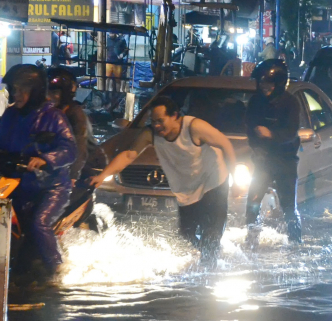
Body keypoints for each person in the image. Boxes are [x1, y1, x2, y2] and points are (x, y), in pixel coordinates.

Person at [89, 96, 236, 267]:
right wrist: (101, 176)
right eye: (153, 121)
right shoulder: (150, 133)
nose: (157, 126)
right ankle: (208, 253)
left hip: (214, 183)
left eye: (161, 121)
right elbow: (129, 155)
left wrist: (234, 179)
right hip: (188, 190)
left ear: (175, 116)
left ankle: (208, 273)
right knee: (186, 234)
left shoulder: (194, 127)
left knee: (211, 233)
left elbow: (226, 144)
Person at [0, 64, 76, 279]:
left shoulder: (54, 117)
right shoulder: (10, 115)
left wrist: (45, 159)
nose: (15, 95)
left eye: (20, 90)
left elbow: (70, 149)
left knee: (39, 223)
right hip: (16, 183)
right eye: (13, 90)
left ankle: (58, 270)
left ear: (34, 91)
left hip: (49, 187)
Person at [245, 59, 302, 245]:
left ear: (278, 84)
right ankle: (251, 240)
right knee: (252, 201)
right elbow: (250, 128)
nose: (264, 87)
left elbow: (291, 132)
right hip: (263, 160)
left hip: (285, 160)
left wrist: (270, 134)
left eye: (269, 83)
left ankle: (295, 241)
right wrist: (257, 147)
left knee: (288, 206)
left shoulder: (291, 103)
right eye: (261, 83)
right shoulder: (255, 102)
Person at [47, 68, 108, 182]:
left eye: (54, 93)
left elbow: (79, 147)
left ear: (65, 94)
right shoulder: (49, 114)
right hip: (60, 167)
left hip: (87, 169)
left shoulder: (75, 114)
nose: (48, 97)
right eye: (47, 92)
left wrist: (73, 176)